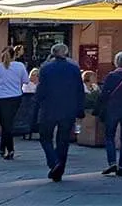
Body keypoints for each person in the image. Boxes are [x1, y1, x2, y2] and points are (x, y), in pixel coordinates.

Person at [35, 43, 85, 183]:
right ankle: (59, 169)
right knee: (63, 140)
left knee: (45, 137)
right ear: (66, 53)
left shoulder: (46, 68)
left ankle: (53, 161)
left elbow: (41, 90)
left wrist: (37, 103)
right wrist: (79, 110)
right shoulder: (74, 68)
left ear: (53, 53)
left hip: (49, 109)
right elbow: (79, 90)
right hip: (68, 110)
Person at [0, 46, 28, 160]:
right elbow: (26, 80)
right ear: (14, 55)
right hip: (15, 96)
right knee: (8, 123)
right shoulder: (20, 66)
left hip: (1, 97)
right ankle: (4, 148)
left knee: (5, 123)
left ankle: (8, 149)